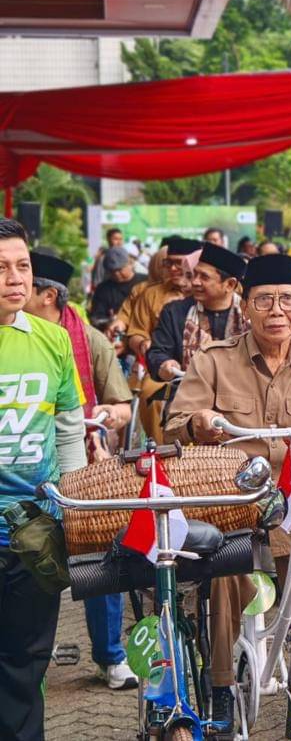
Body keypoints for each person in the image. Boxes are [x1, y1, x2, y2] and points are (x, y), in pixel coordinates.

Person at [165, 253, 291, 725]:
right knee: (228, 579)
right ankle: (223, 685)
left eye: (287, 300)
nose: (276, 310)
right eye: (264, 300)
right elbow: (174, 427)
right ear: (245, 307)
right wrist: (199, 423)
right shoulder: (213, 361)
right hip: (232, 505)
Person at [26, 252, 137, 692]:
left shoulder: (90, 340)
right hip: (23, 472)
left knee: (101, 561)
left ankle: (110, 656)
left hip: (86, 468)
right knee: (28, 563)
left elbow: (123, 407)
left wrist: (109, 413)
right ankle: (28, 654)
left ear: (49, 295)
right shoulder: (9, 338)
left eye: (26, 283)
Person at [0, 218, 85, 740]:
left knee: (26, 666)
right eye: (2, 268)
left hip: (35, 533)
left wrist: (74, 511)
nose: (16, 278)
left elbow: (69, 430)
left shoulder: (54, 340)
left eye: (22, 266)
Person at [146, 242, 247, 381]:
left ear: (229, 284)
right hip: (188, 395)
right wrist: (165, 364)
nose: (195, 282)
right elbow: (157, 352)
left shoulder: (249, 315)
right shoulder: (175, 312)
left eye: (204, 277)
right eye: (195, 274)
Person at [107, 235, 200, 358]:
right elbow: (136, 332)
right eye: (168, 263)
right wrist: (143, 344)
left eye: (178, 263)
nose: (172, 268)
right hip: (157, 366)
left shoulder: (207, 294)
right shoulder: (150, 293)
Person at [88, 245, 144, 330]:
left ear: (130, 264)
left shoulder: (145, 282)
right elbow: (96, 318)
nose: (116, 274)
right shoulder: (103, 289)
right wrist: (109, 321)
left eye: (119, 269)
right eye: (112, 271)